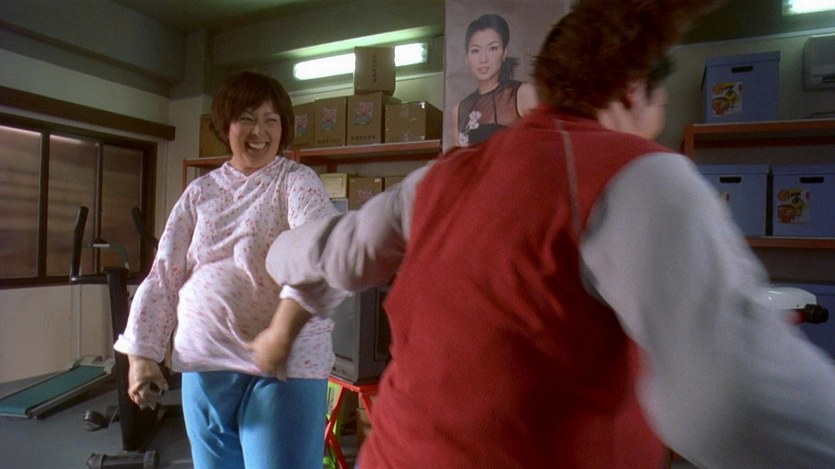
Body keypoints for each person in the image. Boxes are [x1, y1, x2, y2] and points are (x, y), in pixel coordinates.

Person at [253, 1, 835, 468]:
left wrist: (272, 253)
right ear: (635, 90)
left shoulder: (438, 177)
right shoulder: (637, 174)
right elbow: (728, 404)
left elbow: (329, 252)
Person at [113, 71, 346, 469]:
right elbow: (165, 273)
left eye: (271, 120)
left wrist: (281, 332)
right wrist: (142, 354)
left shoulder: (295, 182)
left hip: (281, 364)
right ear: (226, 126)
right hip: (206, 363)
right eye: (247, 118)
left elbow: (323, 251)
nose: (260, 132)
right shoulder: (200, 192)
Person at [451, 13, 538, 147]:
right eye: (475, 51)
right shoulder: (459, 111)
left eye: (492, 48)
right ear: (467, 57)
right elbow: (459, 158)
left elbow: (538, 149)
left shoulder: (522, 94)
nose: (483, 59)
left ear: (504, 53)